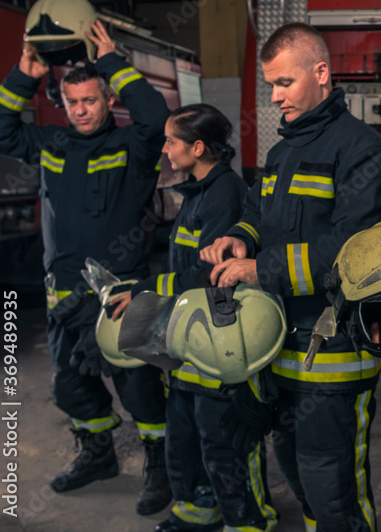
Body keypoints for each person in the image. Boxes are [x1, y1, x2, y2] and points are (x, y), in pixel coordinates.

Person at [200, 22, 381, 532]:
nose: (274, 97)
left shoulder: (363, 152)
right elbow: (259, 209)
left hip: (332, 357)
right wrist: (242, 236)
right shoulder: (283, 151)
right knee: (297, 474)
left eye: (283, 83)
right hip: (279, 353)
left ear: (320, 73)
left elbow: (355, 252)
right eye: (269, 85)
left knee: (334, 491)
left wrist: (259, 268)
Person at [0, 13, 172, 515]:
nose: (82, 110)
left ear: (108, 98)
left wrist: (114, 61)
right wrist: (22, 74)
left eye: (91, 100)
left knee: (138, 385)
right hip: (66, 295)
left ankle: (162, 464)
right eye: (72, 102)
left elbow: (155, 116)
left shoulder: (132, 146)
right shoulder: (52, 144)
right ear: (62, 103)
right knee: (69, 384)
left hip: (120, 295)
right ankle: (98, 455)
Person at [108, 104, 276, 532]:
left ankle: (249, 522)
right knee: (184, 443)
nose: (164, 150)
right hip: (187, 347)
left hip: (220, 347)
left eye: (171, 141)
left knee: (227, 449)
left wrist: (147, 289)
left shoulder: (226, 195)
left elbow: (210, 273)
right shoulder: (198, 192)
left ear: (198, 147)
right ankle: (196, 515)